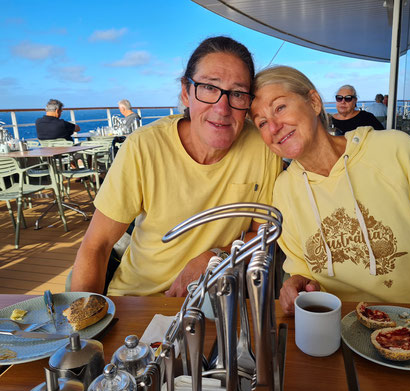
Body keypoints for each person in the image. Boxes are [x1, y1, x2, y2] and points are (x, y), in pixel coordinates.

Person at [250, 66, 410, 341]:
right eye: (262, 123)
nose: (274, 127)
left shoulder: (393, 149)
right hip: (345, 333)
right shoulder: (284, 190)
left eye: (279, 108)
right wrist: (294, 283)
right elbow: (300, 266)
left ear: (314, 102)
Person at [70, 36, 282, 297]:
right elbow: (97, 245)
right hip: (137, 300)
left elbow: (263, 235)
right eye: (208, 88)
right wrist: (83, 328)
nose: (222, 107)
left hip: (215, 303)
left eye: (237, 93)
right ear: (186, 91)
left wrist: (217, 257)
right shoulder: (143, 147)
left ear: (248, 102)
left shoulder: (262, 148)